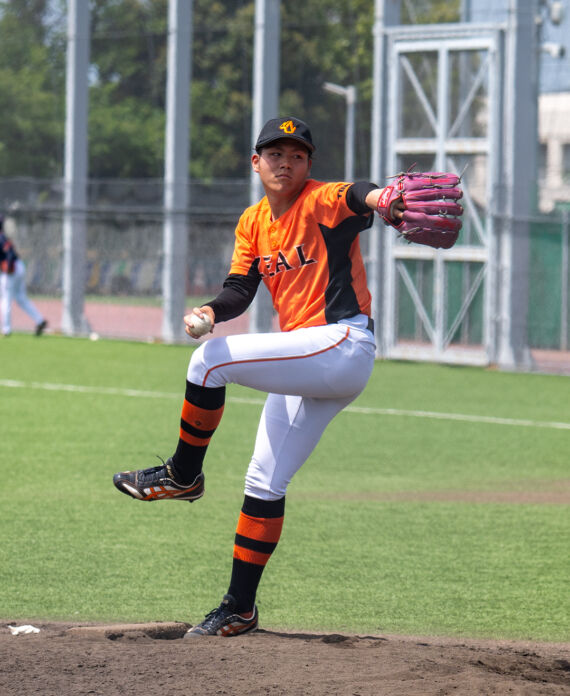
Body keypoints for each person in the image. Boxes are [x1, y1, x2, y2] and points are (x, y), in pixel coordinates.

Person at [113, 117, 404, 637]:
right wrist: (211, 309)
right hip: (310, 362)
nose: (285, 163)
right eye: (275, 154)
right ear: (256, 162)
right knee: (264, 482)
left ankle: (182, 475)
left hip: (342, 343)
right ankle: (239, 608)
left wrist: (382, 198)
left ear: (309, 165)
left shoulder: (320, 200)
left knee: (208, 362)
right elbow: (240, 289)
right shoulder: (252, 222)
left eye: (297, 155)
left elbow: (357, 194)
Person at [0, 216, 47, 337]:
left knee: (6, 299)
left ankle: (6, 329)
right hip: (19, 266)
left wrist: (8, 266)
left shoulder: (1, 238)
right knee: (21, 298)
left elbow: (9, 254)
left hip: (11, 270)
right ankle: (40, 320)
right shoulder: (3, 237)